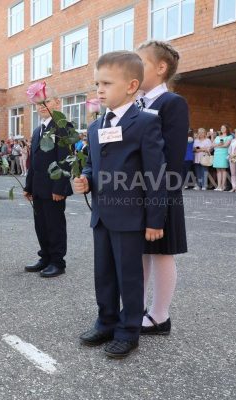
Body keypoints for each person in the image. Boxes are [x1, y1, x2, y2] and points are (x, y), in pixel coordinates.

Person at [72, 51, 167, 359]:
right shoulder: (96, 126)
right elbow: (94, 165)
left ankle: (129, 330)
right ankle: (106, 320)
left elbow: (156, 174)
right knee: (104, 274)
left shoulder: (145, 123)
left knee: (129, 275)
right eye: (97, 83)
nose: (99, 90)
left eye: (106, 83)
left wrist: (156, 219)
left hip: (130, 215)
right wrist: (86, 178)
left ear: (131, 85)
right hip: (102, 214)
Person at [136, 40, 190, 336]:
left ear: (161, 67)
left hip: (161, 189)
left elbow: (172, 156)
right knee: (142, 251)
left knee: (161, 252)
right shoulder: (137, 104)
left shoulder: (171, 103)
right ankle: (137, 307)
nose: (134, 69)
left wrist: (162, 195)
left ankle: (160, 315)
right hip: (137, 189)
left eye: (140, 63)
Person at [23, 85, 74, 278]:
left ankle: (57, 261)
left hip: (54, 188)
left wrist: (60, 187)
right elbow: (34, 161)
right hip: (38, 187)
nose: (42, 106)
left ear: (57, 102)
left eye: (46, 101)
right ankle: (44, 256)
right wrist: (29, 186)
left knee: (54, 225)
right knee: (41, 224)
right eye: (37, 103)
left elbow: (65, 160)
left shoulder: (62, 126)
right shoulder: (38, 130)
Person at [212, 125, 232, 191]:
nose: (222, 129)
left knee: (223, 169)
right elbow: (212, 145)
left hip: (224, 153)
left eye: (224, 128)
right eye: (221, 128)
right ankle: (218, 185)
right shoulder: (217, 136)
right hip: (217, 154)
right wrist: (219, 145)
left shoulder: (229, 136)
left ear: (227, 129)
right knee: (218, 170)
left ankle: (223, 186)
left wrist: (217, 146)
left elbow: (226, 145)